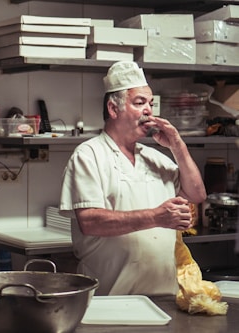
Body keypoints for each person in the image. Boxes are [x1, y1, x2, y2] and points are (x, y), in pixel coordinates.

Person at [59, 61, 207, 296]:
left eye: (151, 103)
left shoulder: (156, 158)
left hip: (163, 297)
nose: (149, 110)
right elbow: (90, 221)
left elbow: (197, 194)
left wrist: (178, 146)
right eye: (139, 103)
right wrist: (156, 217)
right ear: (113, 109)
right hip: (109, 300)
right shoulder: (89, 156)